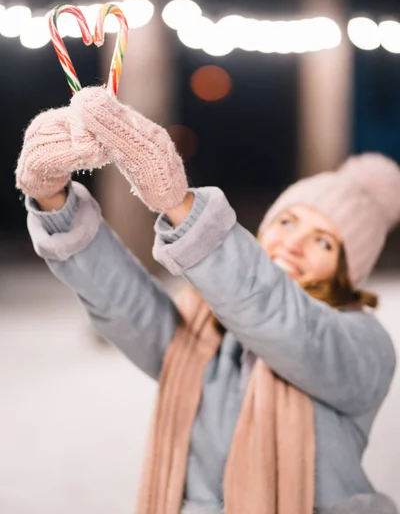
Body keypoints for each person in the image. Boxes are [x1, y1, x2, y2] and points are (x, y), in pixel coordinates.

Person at [16, 86, 400, 514]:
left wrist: (179, 203)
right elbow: (127, 308)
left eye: (324, 243)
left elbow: (279, 319)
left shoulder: (362, 346)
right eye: (287, 221)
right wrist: (54, 200)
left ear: (349, 270)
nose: (293, 244)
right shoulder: (207, 329)